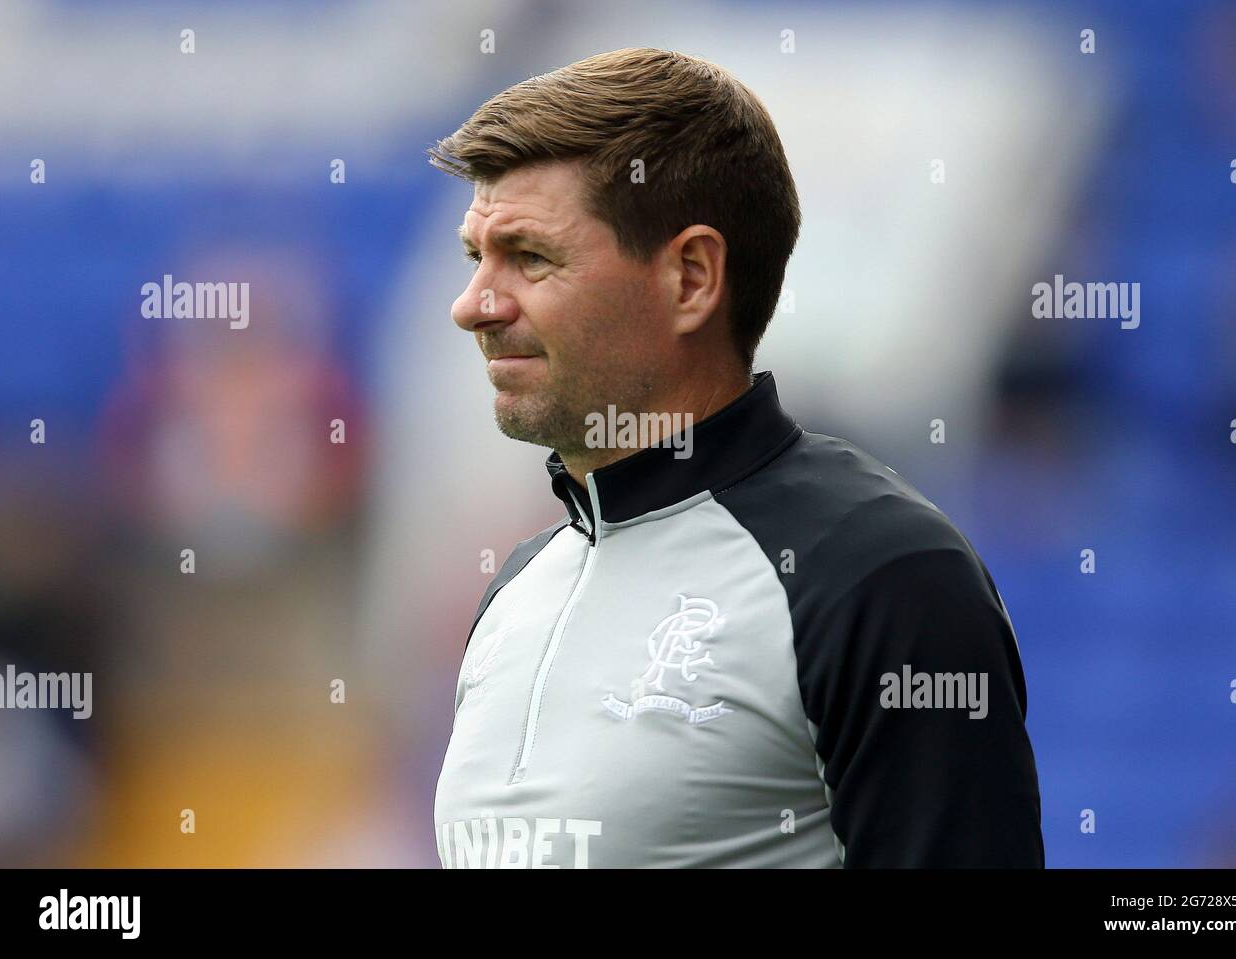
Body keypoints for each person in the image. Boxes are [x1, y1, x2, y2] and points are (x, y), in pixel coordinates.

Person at [428, 47, 1043, 868]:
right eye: (477, 258)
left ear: (691, 278)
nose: (474, 306)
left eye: (530, 257)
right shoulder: (517, 588)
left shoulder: (879, 572)